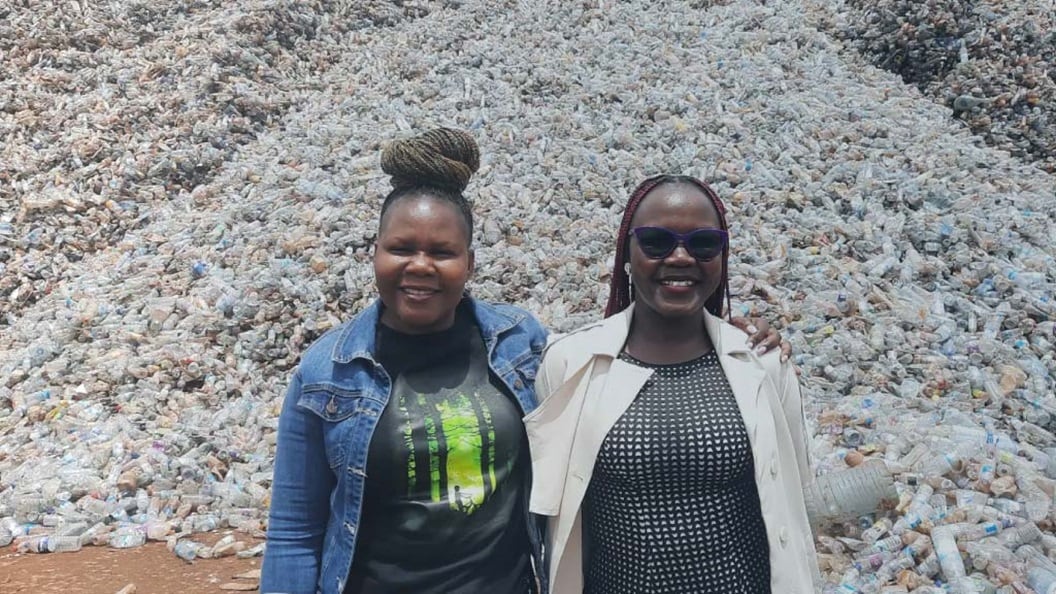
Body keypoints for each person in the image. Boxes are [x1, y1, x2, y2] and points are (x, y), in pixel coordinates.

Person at [260, 130, 789, 594]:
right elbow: (293, 532)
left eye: (442, 252)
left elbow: (621, 356)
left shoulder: (519, 344)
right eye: (401, 248)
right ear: (374, 252)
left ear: (469, 261)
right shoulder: (328, 372)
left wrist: (729, 334)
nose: (419, 266)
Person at [525, 174, 820, 594]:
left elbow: (796, 495)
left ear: (721, 257)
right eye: (656, 242)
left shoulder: (762, 364)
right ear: (627, 253)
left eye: (702, 244)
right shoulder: (571, 364)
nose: (680, 258)